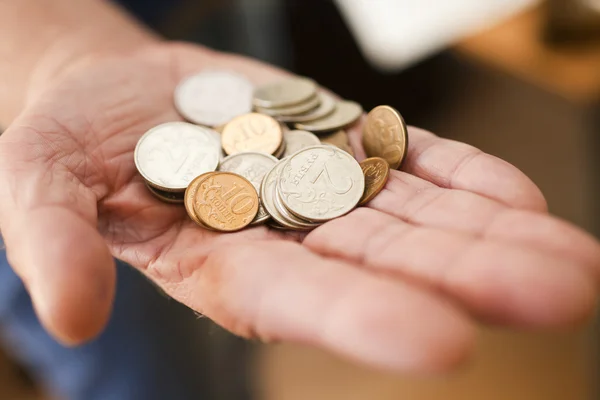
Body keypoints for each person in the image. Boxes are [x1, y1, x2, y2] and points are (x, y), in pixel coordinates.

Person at [0, 1, 599, 399]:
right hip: (25, 67)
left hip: (199, 18)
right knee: (146, 373)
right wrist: (57, 52)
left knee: (225, 357)